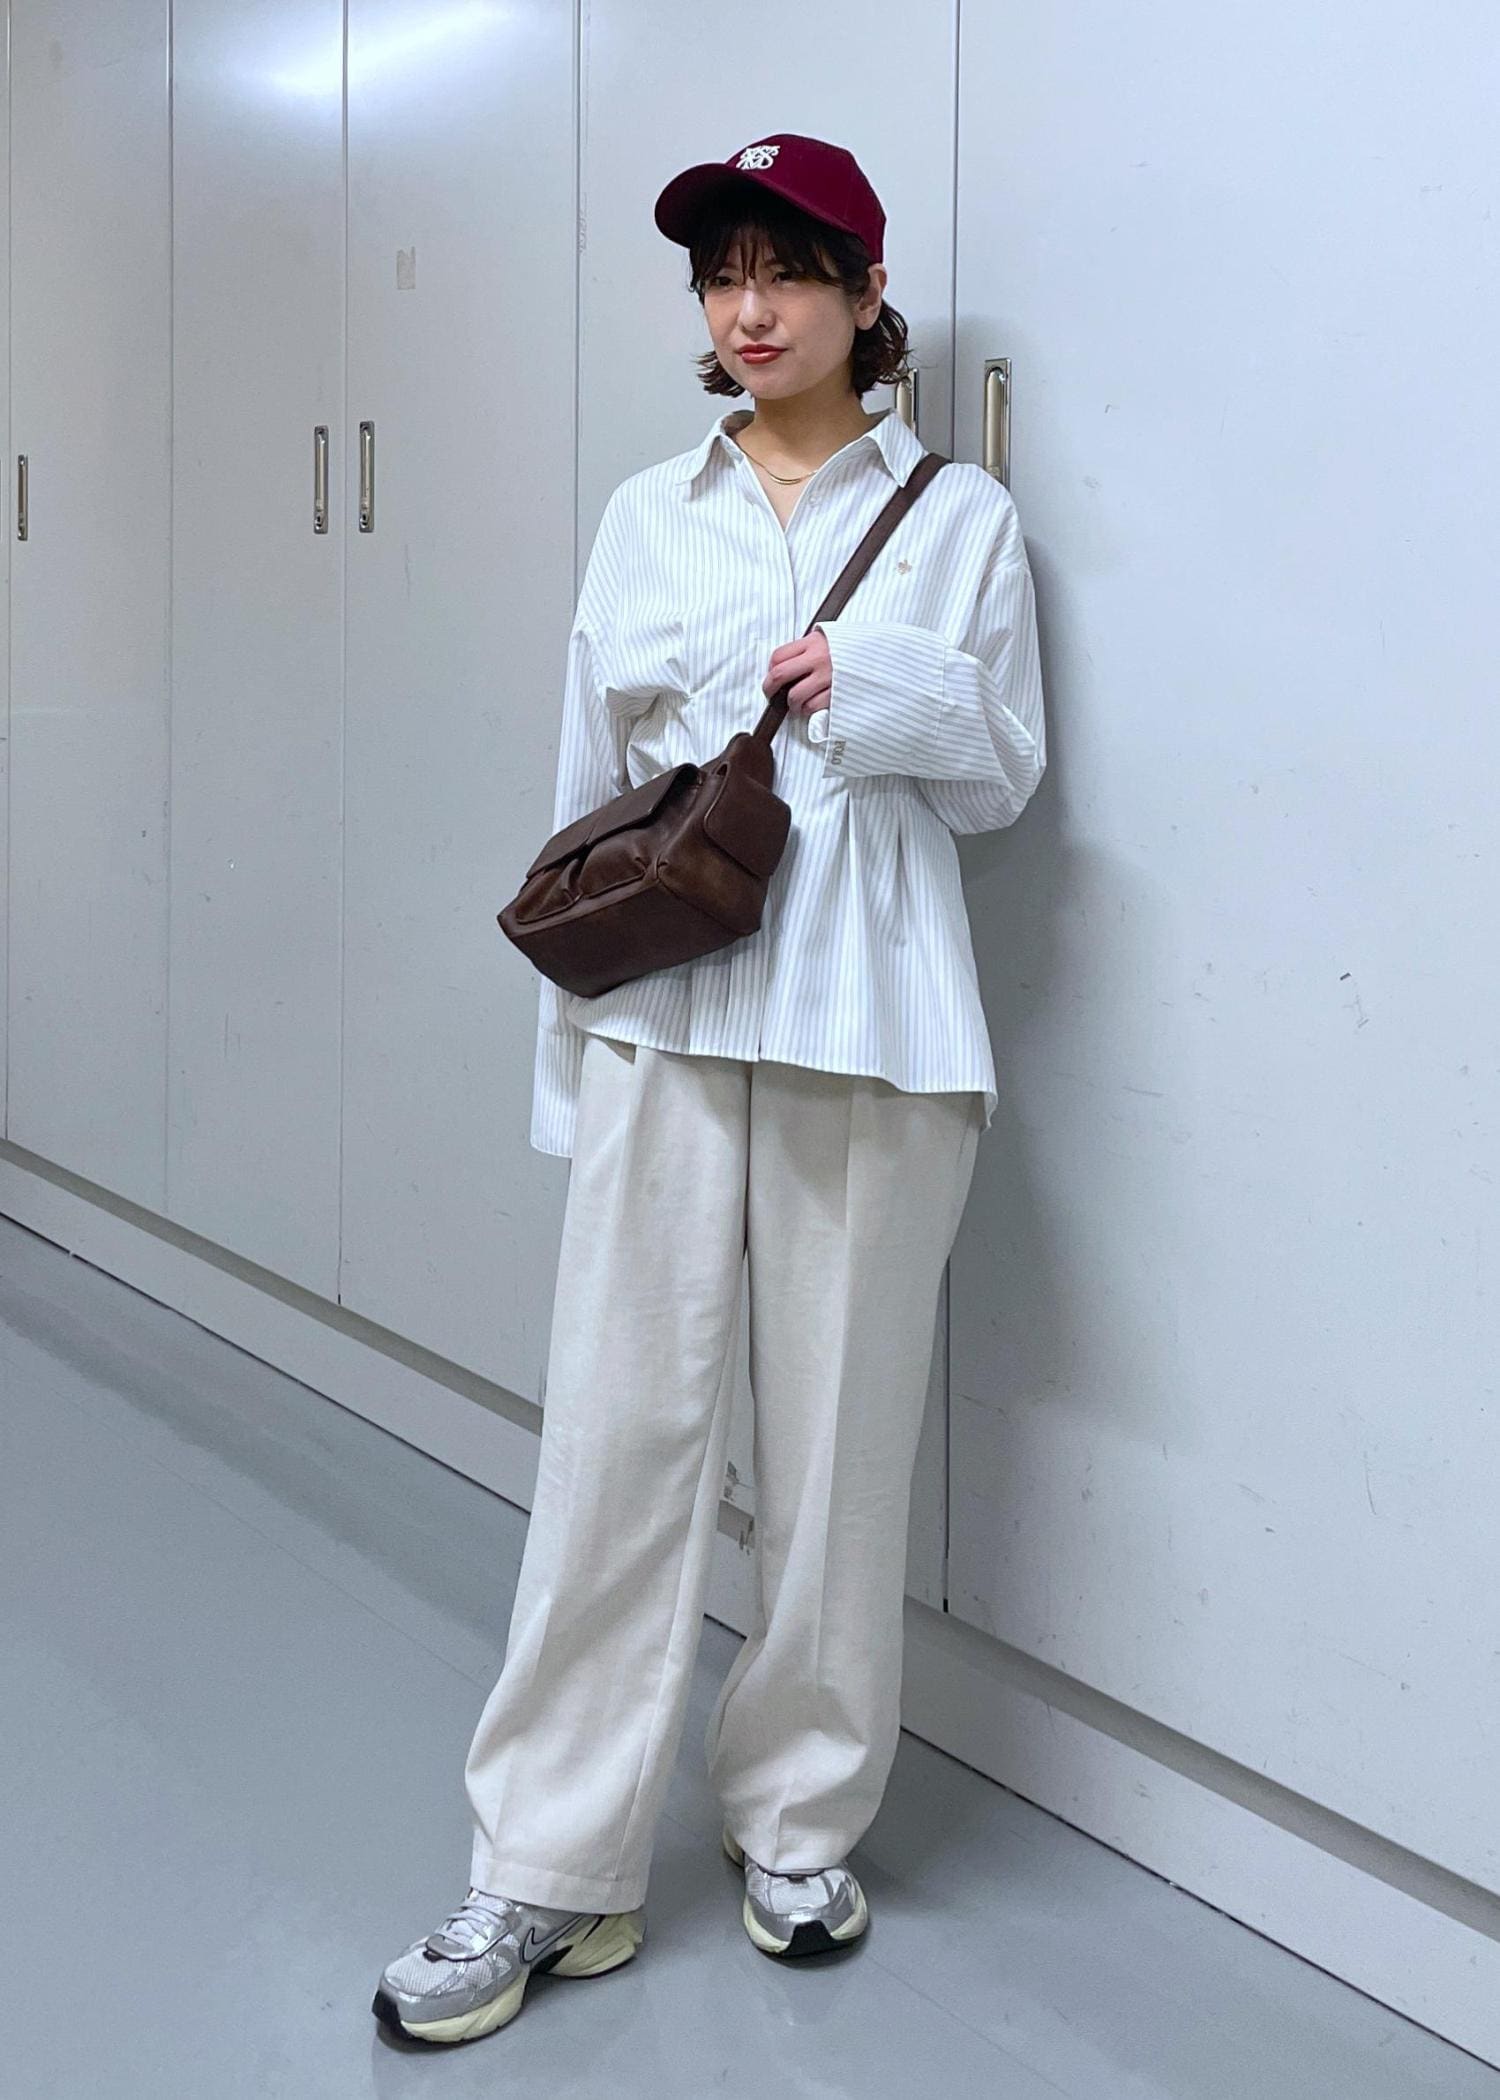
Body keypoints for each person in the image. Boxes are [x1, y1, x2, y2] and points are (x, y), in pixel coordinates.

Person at [373, 131, 1047, 2048]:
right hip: (664, 1028)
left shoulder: (959, 519)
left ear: (864, 294)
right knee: (614, 1446)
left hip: (876, 1031)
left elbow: (1003, 772)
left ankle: (799, 1823)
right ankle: (548, 1867)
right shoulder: (644, 511)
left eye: (787, 271)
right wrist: (567, 1069)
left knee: (838, 1458)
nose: (750, 310)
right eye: (722, 276)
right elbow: (583, 795)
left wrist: (872, 685)